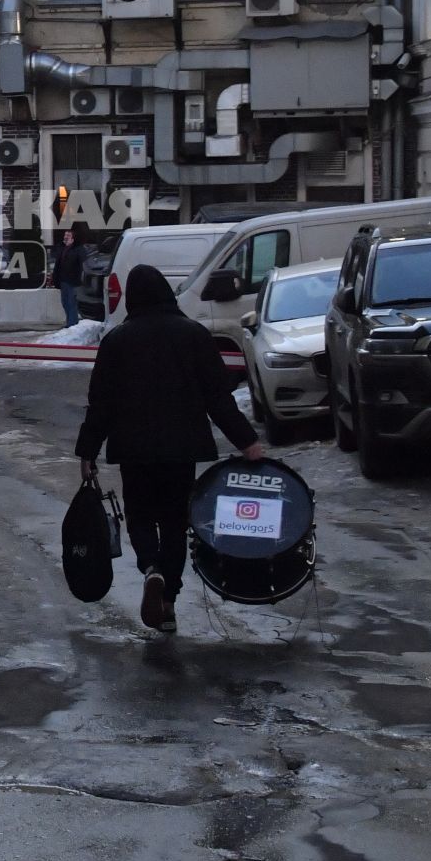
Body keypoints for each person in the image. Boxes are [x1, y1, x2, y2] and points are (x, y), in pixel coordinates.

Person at [74, 263, 263, 633]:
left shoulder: (117, 341)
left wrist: (87, 453)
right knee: (176, 523)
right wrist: (248, 442)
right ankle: (169, 602)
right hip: (181, 450)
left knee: (141, 517)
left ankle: (151, 568)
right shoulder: (193, 336)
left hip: (134, 450)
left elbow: (101, 404)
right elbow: (218, 399)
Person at [50, 226, 89, 327]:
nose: (66, 237)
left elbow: (83, 263)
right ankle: (69, 321)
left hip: (73, 280)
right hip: (63, 280)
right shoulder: (62, 248)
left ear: (73, 238)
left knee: (71, 302)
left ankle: (72, 323)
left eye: (68, 235)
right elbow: (55, 257)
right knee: (65, 302)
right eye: (65, 235)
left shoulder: (78, 249)